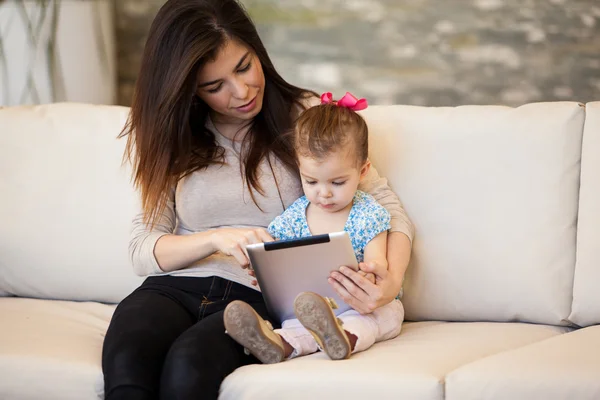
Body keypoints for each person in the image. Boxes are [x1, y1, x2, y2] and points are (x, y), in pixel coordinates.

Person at [101, 0, 414, 399]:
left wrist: (389, 282)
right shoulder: (173, 139)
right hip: (169, 289)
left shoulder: (309, 117)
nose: (242, 91)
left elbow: (387, 208)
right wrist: (214, 239)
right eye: (215, 87)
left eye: (245, 66)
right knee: (129, 362)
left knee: (187, 368)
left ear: (257, 51)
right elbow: (142, 248)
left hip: (257, 298)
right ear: (188, 91)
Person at [223, 92, 405, 363]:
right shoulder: (291, 219)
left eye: (338, 182)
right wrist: (266, 277)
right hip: (313, 308)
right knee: (297, 324)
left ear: (363, 171)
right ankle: (277, 343)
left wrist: (368, 279)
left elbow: (377, 267)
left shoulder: (369, 215)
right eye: (311, 182)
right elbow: (281, 267)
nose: (324, 194)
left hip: (364, 306)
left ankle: (343, 338)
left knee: (376, 317)